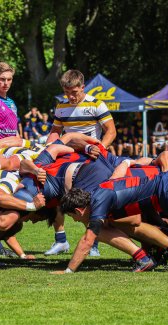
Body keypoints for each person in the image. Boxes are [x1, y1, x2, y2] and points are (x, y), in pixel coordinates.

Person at [57, 171, 168, 273]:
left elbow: (88, 241)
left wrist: (68, 271)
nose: (74, 220)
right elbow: (135, 220)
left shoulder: (99, 201)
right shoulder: (99, 196)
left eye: (72, 216)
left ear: (79, 210)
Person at [44, 69, 117, 257]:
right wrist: (50, 144)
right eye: (67, 92)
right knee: (55, 193)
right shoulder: (61, 106)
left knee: (89, 199)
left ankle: (93, 242)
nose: (71, 96)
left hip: (90, 157)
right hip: (67, 156)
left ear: (82, 87)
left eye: (74, 92)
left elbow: (111, 131)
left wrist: (100, 149)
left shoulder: (96, 104)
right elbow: (55, 130)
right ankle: (60, 240)